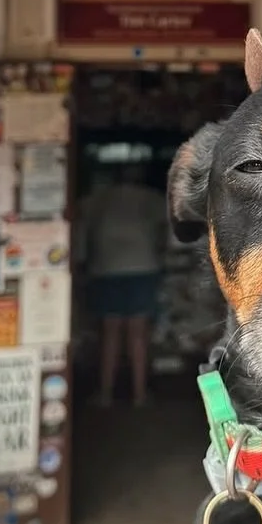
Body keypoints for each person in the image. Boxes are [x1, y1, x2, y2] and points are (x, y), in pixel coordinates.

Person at [79, 162, 167, 407]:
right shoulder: (152, 198)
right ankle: (140, 395)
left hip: (106, 269)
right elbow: (167, 230)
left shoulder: (96, 199)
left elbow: (82, 233)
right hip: (143, 267)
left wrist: (82, 263)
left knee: (110, 333)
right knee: (138, 334)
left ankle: (105, 394)